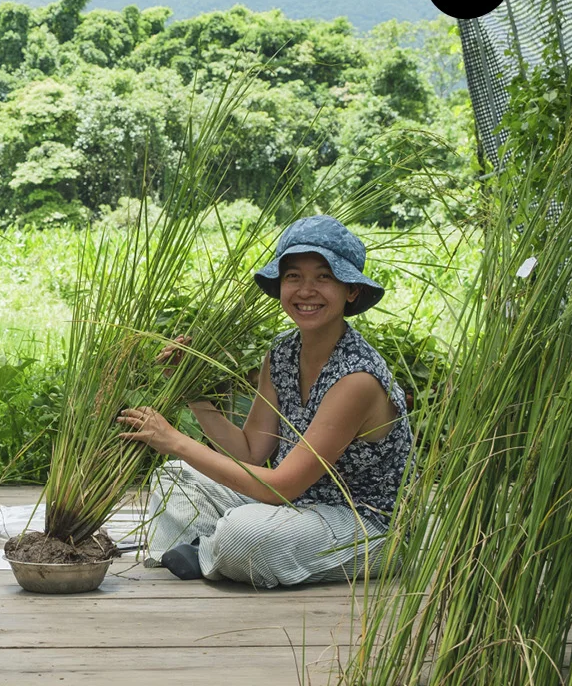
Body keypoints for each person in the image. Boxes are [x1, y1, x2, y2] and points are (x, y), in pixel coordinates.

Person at [116, 215, 413, 587]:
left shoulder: (357, 378)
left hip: (363, 524)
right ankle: (211, 551)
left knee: (247, 533)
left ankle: (205, 549)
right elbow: (252, 452)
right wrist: (190, 390)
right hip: (295, 507)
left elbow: (282, 486)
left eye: (324, 277)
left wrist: (174, 440)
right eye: (293, 277)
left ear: (350, 290)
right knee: (176, 476)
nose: (306, 290)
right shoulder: (283, 354)